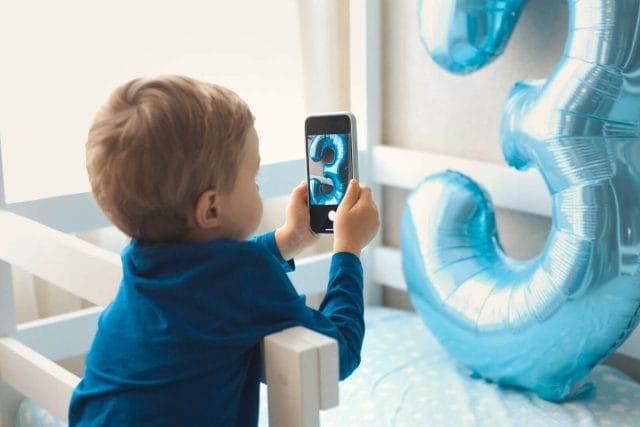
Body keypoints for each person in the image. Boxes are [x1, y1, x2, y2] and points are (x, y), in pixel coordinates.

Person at [68, 75, 380, 426]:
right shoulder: (244, 279)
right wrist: (348, 248)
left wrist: (287, 241)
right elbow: (338, 354)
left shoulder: (142, 262)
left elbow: (214, 277)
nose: (258, 186)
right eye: (253, 178)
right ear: (211, 209)